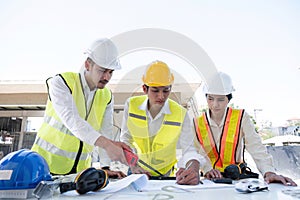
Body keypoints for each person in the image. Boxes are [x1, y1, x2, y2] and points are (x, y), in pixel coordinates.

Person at [31, 38, 130, 178]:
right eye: (102, 70)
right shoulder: (62, 83)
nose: (107, 77)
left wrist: (105, 166)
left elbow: (105, 130)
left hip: (80, 173)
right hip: (44, 167)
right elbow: (72, 120)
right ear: (87, 65)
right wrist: (108, 145)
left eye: (110, 72)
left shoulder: (107, 96)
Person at [194, 71, 297, 186]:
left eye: (221, 99)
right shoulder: (198, 123)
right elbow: (197, 152)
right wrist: (208, 169)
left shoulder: (241, 118)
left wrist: (268, 172)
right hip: (209, 182)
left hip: (238, 180)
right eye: (210, 99)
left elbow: (256, 147)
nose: (215, 104)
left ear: (228, 99)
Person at [120, 60, 202, 185]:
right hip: (136, 171)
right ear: (144, 88)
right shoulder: (131, 105)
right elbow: (126, 140)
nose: (161, 96)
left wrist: (193, 168)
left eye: (165, 90)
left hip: (166, 176)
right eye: (155, 90)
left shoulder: (181, 113)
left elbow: (189, 149)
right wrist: (133, 165)